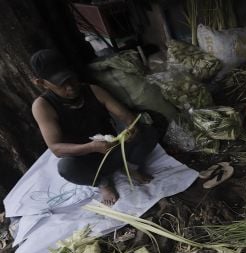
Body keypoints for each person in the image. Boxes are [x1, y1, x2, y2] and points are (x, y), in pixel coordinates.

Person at [30, 49, 160, 206]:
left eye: (70, 78)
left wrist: (130, 127)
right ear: (41, 82)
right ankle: (102, 183)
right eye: (61, 84)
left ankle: (130, 168)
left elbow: (125, 115)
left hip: (113, 149)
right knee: (66, 167)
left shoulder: (92, 90)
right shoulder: (43, 106)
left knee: (148, 131)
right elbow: (56, 148)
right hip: (85, 160)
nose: (70, 87)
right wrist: (91, 147)